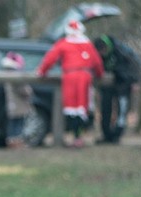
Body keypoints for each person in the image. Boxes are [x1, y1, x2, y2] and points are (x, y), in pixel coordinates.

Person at [37, 20, 104, 148]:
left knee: (72, 107)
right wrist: (100, 75)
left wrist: (42, 71)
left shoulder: (63, 43)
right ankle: (78, 136)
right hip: (85, 77)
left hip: (70, 76)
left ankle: (76, 136)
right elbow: (97, 63)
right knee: (81, 107)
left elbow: (50, 58)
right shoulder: (88, 44)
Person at [93, 35, 141, 144]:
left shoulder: (121, 50)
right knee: (105, 108)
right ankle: (106, 135)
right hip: (107, 84)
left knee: (122, 109)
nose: (102, 53)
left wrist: (135, 81)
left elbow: (135, 64)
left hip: (123, 84)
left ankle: (117, 135)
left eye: (103, 50)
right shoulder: (97, 55)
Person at [0, 51, 34, 148]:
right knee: (18, 123)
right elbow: (23, 89)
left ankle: (13, 140)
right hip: (18, 104)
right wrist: (29, 91)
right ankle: (16, 141)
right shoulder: (15, 76)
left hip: (14, 104)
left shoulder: (7, 73)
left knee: (14, 123)